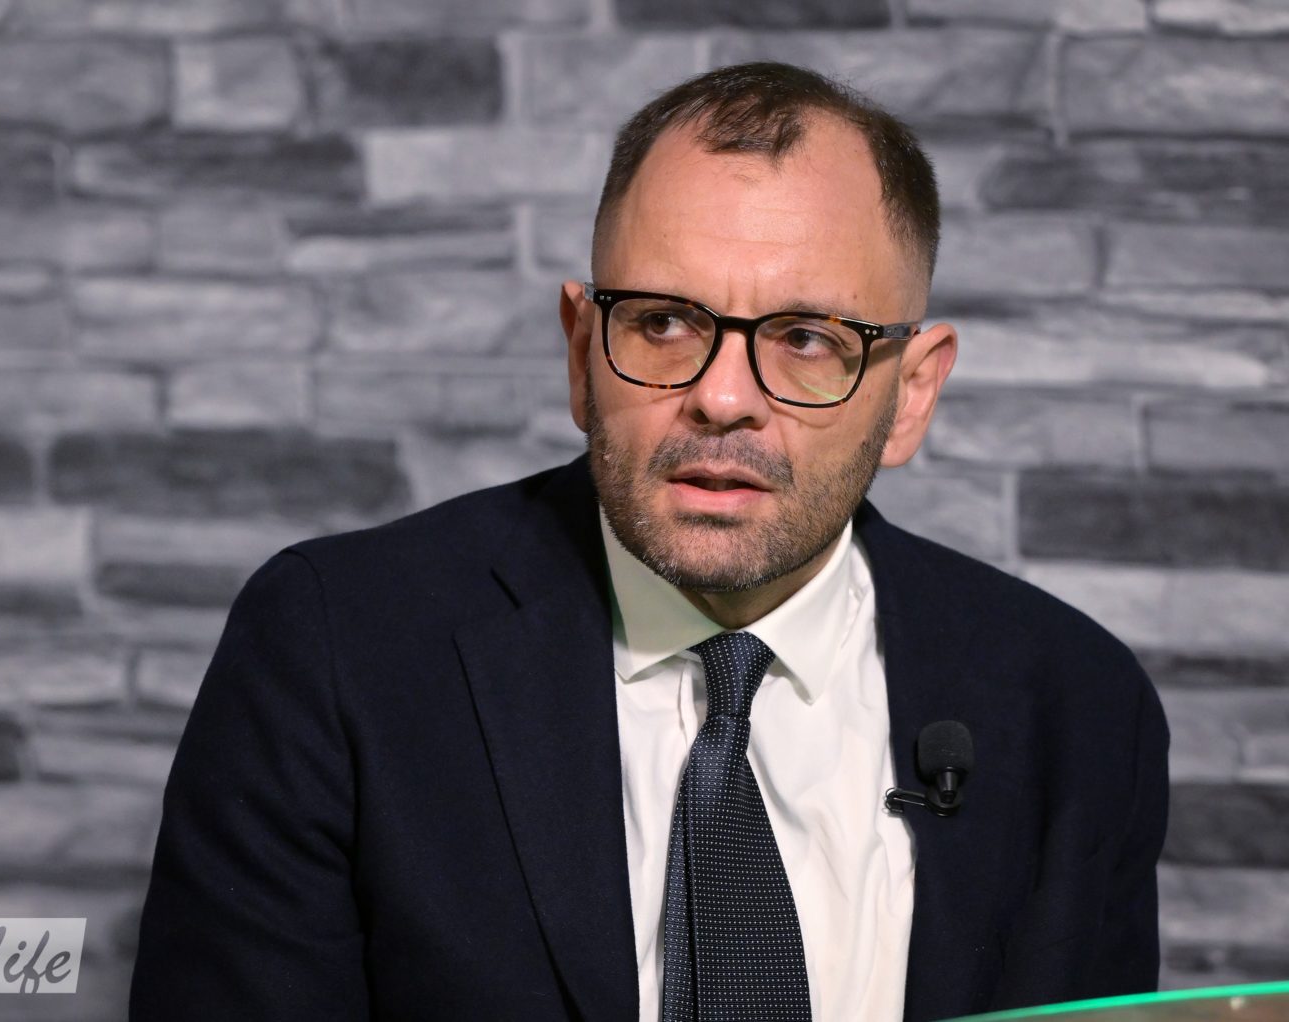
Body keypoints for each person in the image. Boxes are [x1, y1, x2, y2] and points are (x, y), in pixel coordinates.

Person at [129, 62, 1169, 1022]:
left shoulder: (1079, 708)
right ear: (583, 350)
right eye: (664, 323)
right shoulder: (337, 649)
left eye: (807, 339)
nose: (723, 398)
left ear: (911, 395)